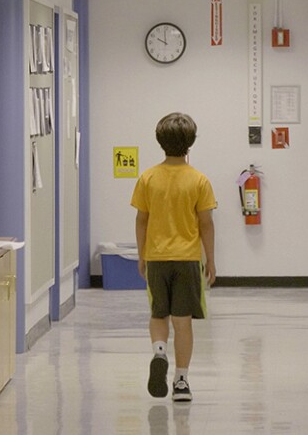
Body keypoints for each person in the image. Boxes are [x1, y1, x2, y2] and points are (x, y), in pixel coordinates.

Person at [130, 112, 217, 402]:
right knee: (183, 321)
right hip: (188, 259)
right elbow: (206, 224)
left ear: (160, 141)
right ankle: (181, 381)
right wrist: (211, 261)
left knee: (158, 313)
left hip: (156, 258)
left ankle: (159, 352)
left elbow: (141, 220)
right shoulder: (199, 180)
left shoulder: (148, 178)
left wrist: (142, 255)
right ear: (190, 143)